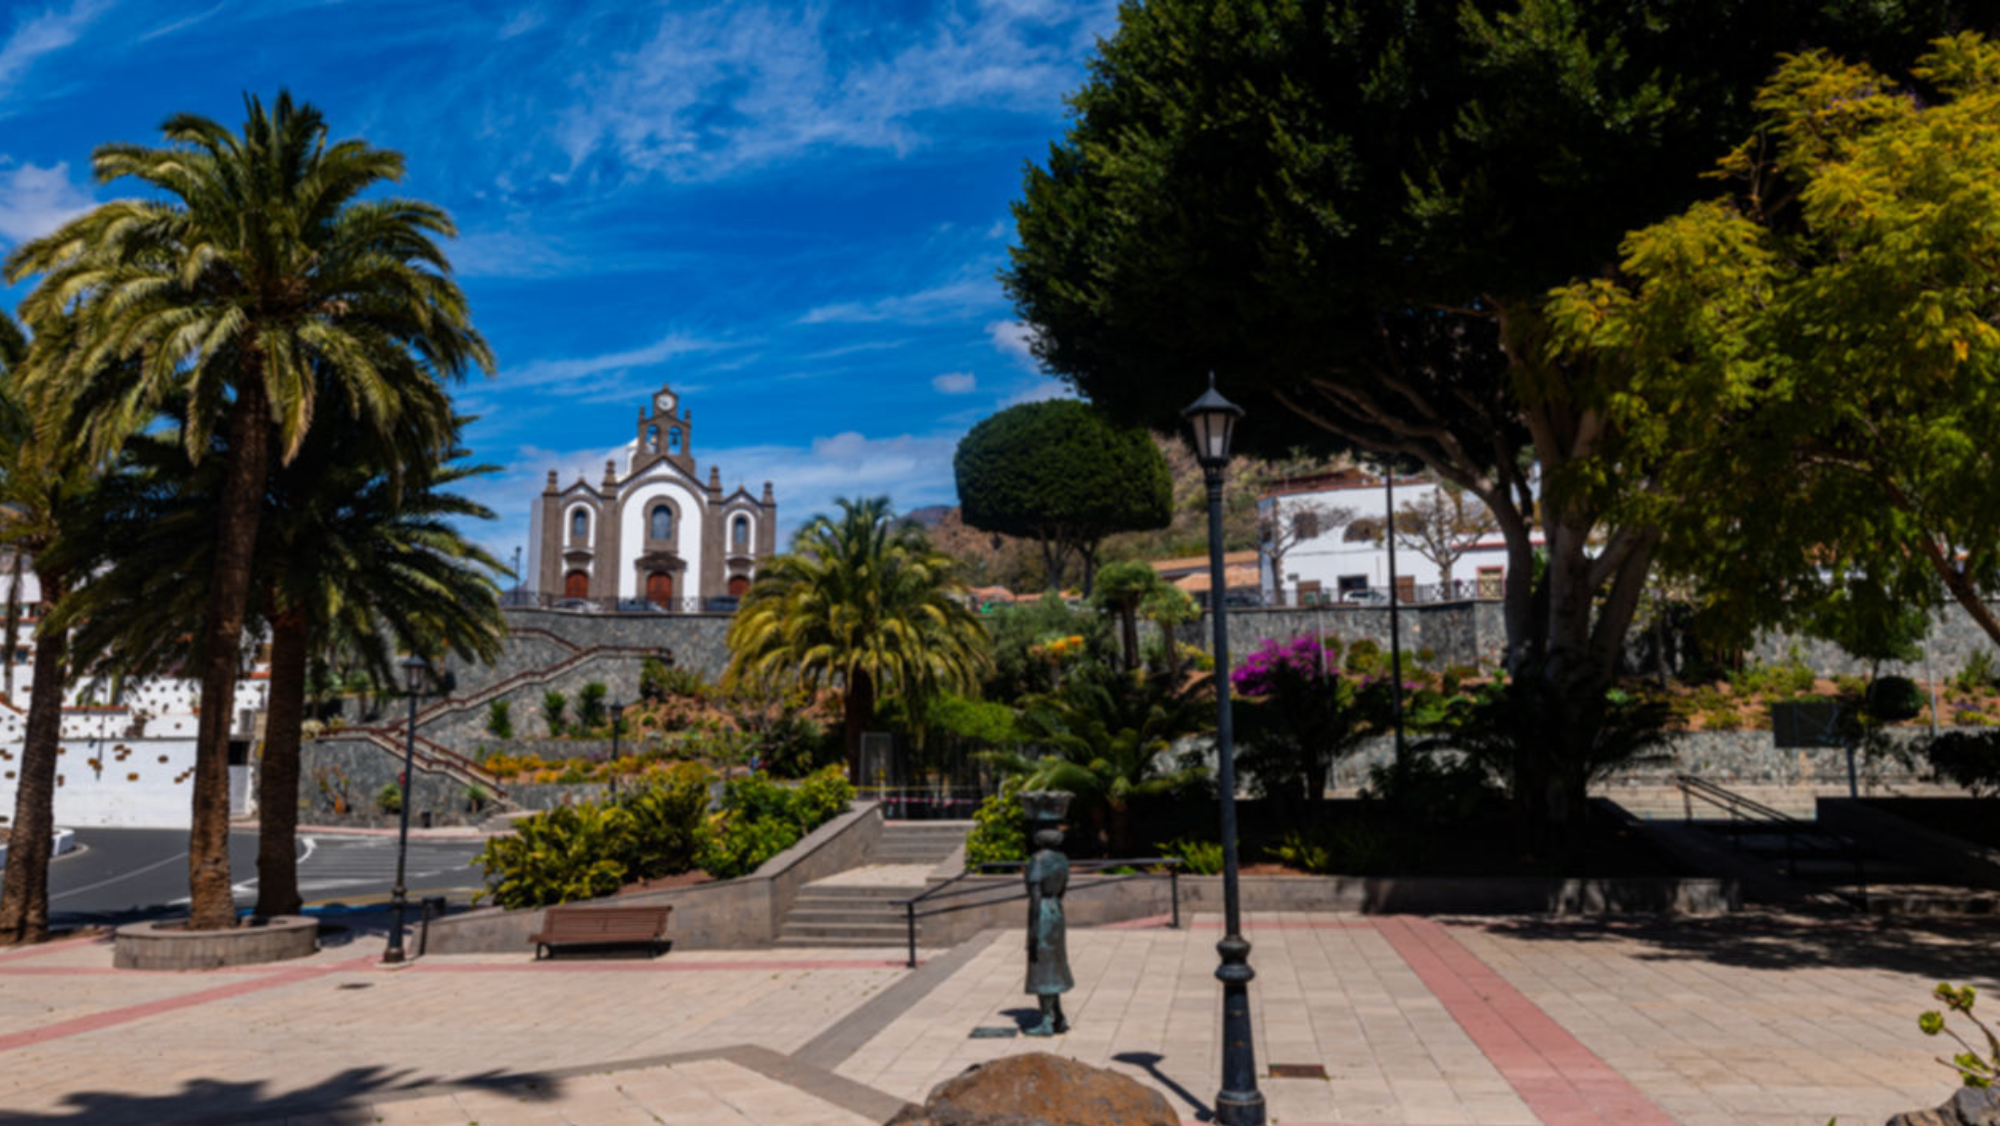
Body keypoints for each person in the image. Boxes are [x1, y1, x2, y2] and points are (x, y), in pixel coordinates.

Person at [1023, 816, 1074, 1035]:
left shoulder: (1038, 860)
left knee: (1041, 964)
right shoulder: (1062, 859)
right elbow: (1063, 889)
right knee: (1055, 963)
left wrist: (1032, 933)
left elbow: (1035, 897)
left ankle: (1045, 1021)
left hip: (1042, 911)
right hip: (1056, 910)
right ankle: (1059, 1016)